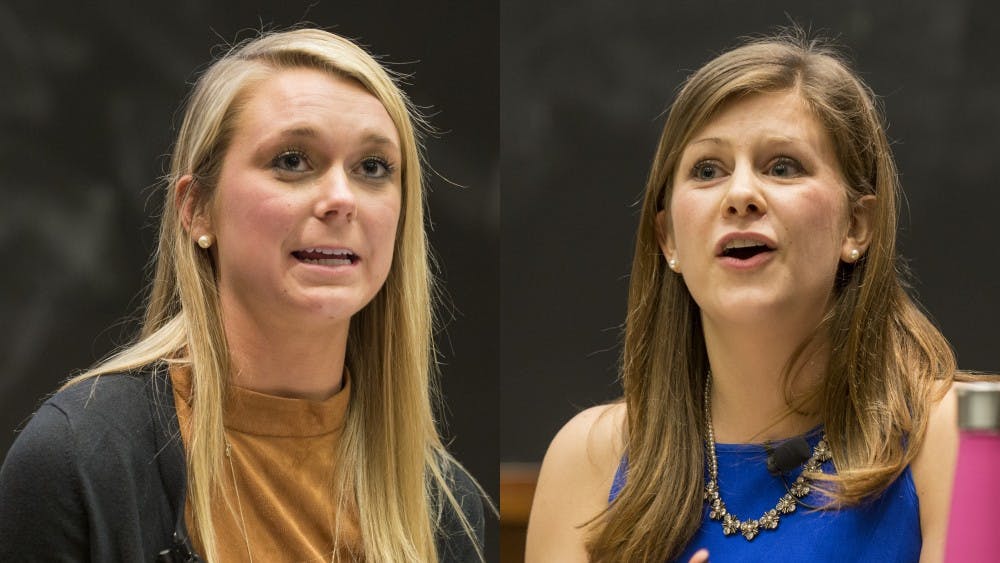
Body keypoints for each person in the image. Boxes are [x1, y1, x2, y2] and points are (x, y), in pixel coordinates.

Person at [0, 28, 485, 562]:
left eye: (373, 168)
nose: (341, 199)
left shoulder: (443, 505)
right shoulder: (76, 461)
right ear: (197, 208)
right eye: (292, 161)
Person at [526, 30, 969, 563]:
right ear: (668, 238)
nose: (740, 196)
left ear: (857, 226)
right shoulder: (586, 460)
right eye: (708, 170)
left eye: (782, 166)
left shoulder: (970, 438)